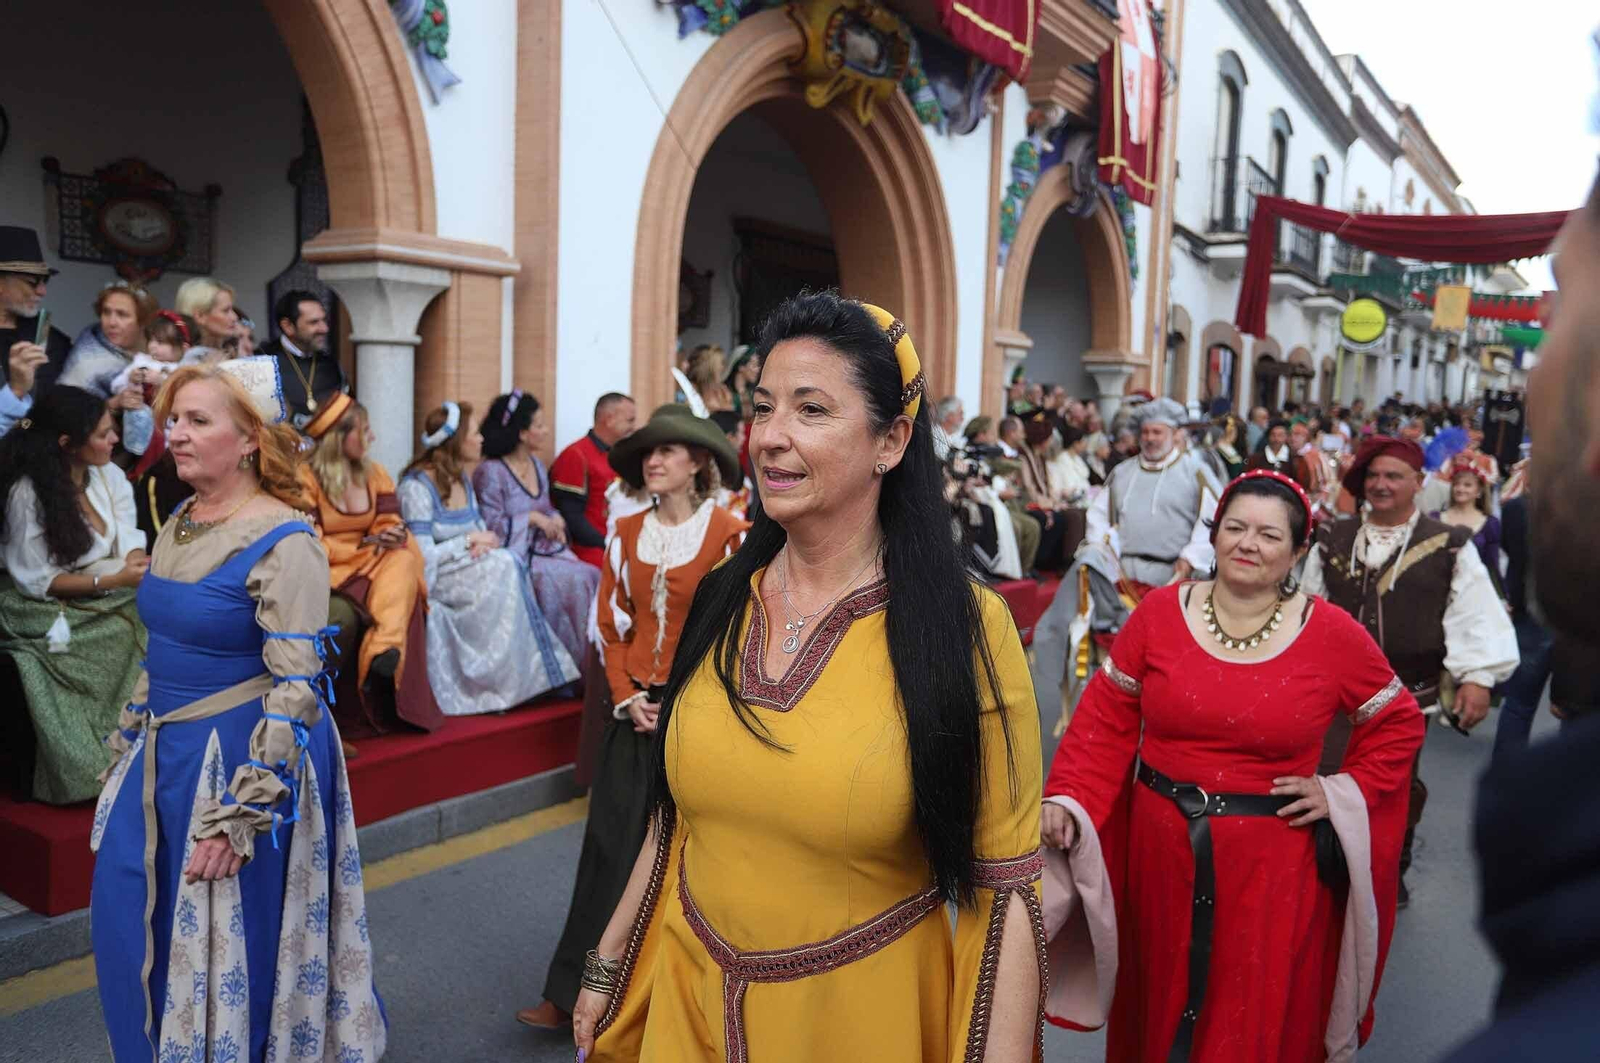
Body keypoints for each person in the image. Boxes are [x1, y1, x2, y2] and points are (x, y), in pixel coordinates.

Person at [570, 293, 1045, 1063]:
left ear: (890, 439)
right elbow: (678, 817)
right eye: (761, 407)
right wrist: (607, 959)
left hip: (860, 1021)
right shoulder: (726, 594)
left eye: (812, 409)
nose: (770, 437)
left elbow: (1006, 890)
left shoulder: (963, 628)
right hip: (685, 1006)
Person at [1040, 470, 1424, 1061]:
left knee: (1247, 1008)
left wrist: (1343, 790)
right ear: (1214, 537)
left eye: (1270, 535)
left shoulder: (1330, 633)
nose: (1248, 543)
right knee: (1160, 999)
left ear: (1298, 551)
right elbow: (1105, 721)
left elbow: (1398, 720)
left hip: (1271, 867)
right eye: (1235, 528)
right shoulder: (1160, 613)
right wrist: (1070, 796)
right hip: (1158, 858)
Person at [89, 358, 385, 1062]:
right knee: (128, 914)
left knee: (226, 933)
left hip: (239, 756)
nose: (176, 434)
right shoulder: (182, 518)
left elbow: (296, 687)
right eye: (173, 420)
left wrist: (241, 813)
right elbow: (159, 646)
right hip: (166, 746)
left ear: (250, 438)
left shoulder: (287, 540)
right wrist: (129, 736)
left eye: (197, 420)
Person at [521, 403, 746, 1032]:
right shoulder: (623, 535)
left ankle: (666, 1004)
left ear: (698, 461)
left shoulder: (732, 534)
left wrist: (687, 703)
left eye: (668, 451)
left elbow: (736, 632)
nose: (653, 461)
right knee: (606, 852)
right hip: (632, 716)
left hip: (697, 719)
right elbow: (611, 626)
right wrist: (626, 695)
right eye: (647, 452)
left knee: (689, 862)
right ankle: (569, 992)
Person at [1300, 436, 1517, 906]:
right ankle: (1326, 866)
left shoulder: (1449, 544)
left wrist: (1477, 678)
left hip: (1406, 695)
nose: (1381, 485)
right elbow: (1308, 608)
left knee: (1395, 785)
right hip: (1332, 694)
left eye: (1393, 476)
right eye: (1373, 476)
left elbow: (1474, 612)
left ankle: (1388, 867)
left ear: (1419, 484)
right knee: (1326, 776)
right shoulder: (1333, 537)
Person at [1029, 397, 1222, 718]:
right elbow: (1099, 517)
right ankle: (1112, 711)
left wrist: (1189, 557)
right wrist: (1104, 548)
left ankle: (1166, 711)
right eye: (1146, 432)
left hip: (1173, 577)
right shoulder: (1122, 473)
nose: (1150, 438)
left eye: (1158, 432)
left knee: (1164, 655)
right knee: (1115, 649)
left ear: (1174, 434)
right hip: (1123, 573)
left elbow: (1211, 521)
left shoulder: (1195, 472)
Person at [0, 386, 148, 803]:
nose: (115, 439)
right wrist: (116, 582)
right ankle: (93, 764)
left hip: (106, 586)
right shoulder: (27, 494)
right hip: (37, 604)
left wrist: (135, 562)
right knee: (131, 621)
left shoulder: (109, 474)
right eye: (103, 434)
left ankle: (144, 749)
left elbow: (129, 533)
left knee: (157, 602)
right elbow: (37, 581)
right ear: (68, 445)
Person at [399, 401, 578, 715]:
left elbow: (484, 531)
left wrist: (484, 545)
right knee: (507, 566)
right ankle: (498, 686)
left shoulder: (461, 479)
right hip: (436, 578)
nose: (481, 439)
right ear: (457, 440)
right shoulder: (417, 486)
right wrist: (467, 542)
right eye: (475, 433)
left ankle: (511, 682)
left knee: (506, 562)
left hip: (466, 567)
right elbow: (421, 558)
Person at [299, 391, 439, 735]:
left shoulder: (375, 473)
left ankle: (383, 649)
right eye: (363, 430)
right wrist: (361, 547)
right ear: (340, 436)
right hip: (329, 572)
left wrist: (390, 535)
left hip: (371, 563)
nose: (371, 437)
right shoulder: (305, 477)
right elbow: (307, 540)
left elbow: (387, 522)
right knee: (389, 564)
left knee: (404, 557)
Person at [473, 389, 600, 668]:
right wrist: (530, 519)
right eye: (539, 425)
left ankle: (582, 668)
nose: (546, 431)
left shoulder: (537, 466)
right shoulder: (491, 472)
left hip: (546, 548)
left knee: (591, 575)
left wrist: (555, 518)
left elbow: (546, 508)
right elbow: (490, 524)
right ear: (522, 433)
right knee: (574, 579)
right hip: (516, 553)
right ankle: (557, 666)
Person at [57, 283, 160, 456]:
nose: (111, 322)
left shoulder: (162, 345)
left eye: (122, 314)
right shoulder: (88, 358)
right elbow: (67, 413)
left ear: (143, 320)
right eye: (106, 312)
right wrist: (114, 404)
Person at [551, 393, 638, 566]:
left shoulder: (620, 455)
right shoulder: (576, 455)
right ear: (609, 419)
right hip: (590, 550)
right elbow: (572, 517)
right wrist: (607, 543)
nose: (634, 427)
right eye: (630, 420)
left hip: (618, 543)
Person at [0, 226, 72, 434]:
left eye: (45, 281)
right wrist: (16, 390)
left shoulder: (52, 339)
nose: (42, 291)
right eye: (32, 282)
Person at [259, 289, 344, 431]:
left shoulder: (331, 365)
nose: (324, 328)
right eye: (314, 322)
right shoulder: (263, 362)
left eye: (324, 320)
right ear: (288, 326)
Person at [1432, 453, 1503, 597]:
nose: (1460, 489)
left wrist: (1501, 597)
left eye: (1467, 485)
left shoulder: (1490, 523)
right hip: (1436, 591)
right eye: (1456, 484)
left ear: (1479, 492)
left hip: (1473, 594)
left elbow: (1492, 565)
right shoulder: (1435, 518)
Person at [173, 277, 241, 350]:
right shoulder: (176, 358)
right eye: (225, 311)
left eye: (232, 310)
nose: (235, 317)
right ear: (200, 316)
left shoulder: (233, 352)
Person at [685, 344, 733, 414]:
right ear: (709, 367)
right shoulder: (690, 390)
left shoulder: (722, 391)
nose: (723, 367)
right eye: (721, 363)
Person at [933, 394, 966, 459]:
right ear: (949, 415)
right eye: (960, 413)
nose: (962, 418)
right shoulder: (934, 436)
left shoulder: (955, 437)